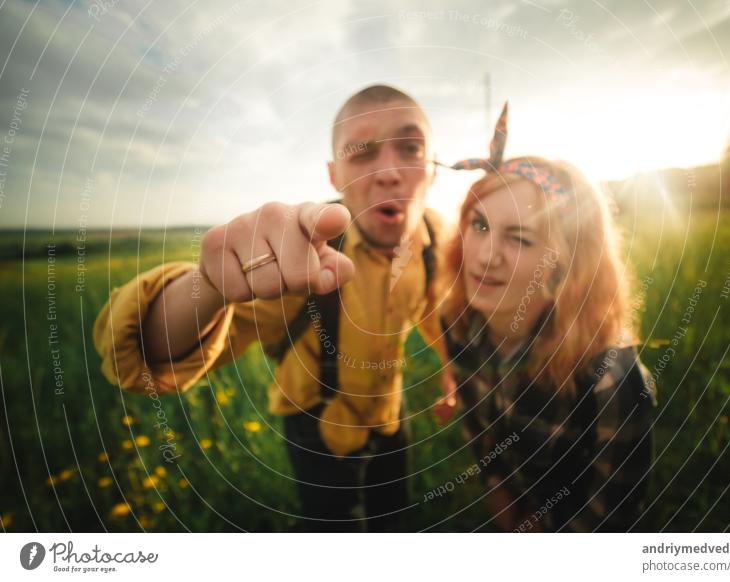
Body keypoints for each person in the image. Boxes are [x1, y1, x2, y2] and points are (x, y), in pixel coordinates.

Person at [93, 85, 456, 532]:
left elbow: (432, 307)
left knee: (396, 518)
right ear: (334, 175)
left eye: (410, 147)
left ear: (434, 168)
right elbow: (152, 352)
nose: (388, 172)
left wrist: (449, 367)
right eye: (362, 154)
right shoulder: (305, 254)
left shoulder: (435, 239)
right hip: (316, 424)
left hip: (390, 413)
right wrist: (209, 285)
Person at [439, 103, 656, 532]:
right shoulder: (459, 327)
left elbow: (610, 518)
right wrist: (499, 495)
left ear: (562, 266)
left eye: (519, 238)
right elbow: (479, 434)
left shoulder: (610, 380)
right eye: (479, 226)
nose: (485, 256)